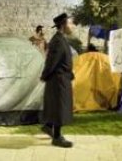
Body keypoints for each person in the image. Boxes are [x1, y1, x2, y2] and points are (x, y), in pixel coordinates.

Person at [40, 13, 75, 148]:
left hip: (62, 78)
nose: (73, 26)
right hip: (58, 80)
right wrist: (45, 75)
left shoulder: (60, 39)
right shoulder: (58, 41)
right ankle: (57, 137)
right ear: (64, 25)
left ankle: (48, 126)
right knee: (59, 107)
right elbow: (52, 61)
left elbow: (61, 60)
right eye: (71, 23)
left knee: (57, 106)